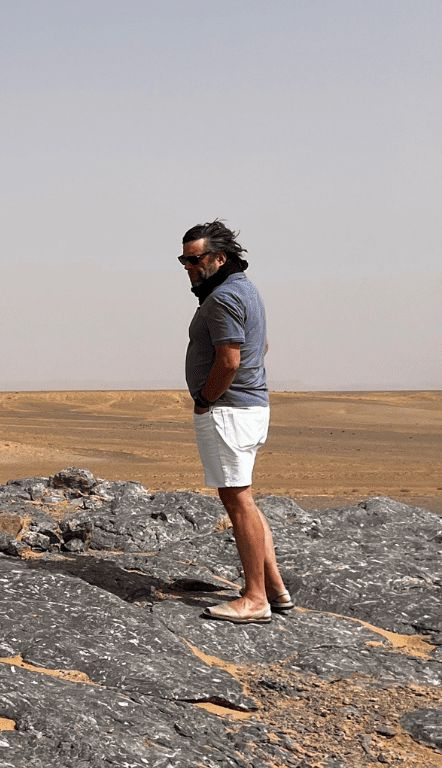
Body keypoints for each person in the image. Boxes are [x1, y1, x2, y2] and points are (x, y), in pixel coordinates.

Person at [180, 220, 291, 624]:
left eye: (195, 260)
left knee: (237, 499)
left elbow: (230, 359)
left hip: (228, 409)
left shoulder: (224, 298)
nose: (189, 268)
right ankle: (276, 589)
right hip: (249, 406)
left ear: (219, 258)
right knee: (242, 495)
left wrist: (205, 399)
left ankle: (255, 598)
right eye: (184, 260)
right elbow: (261, 345)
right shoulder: (245, 290)